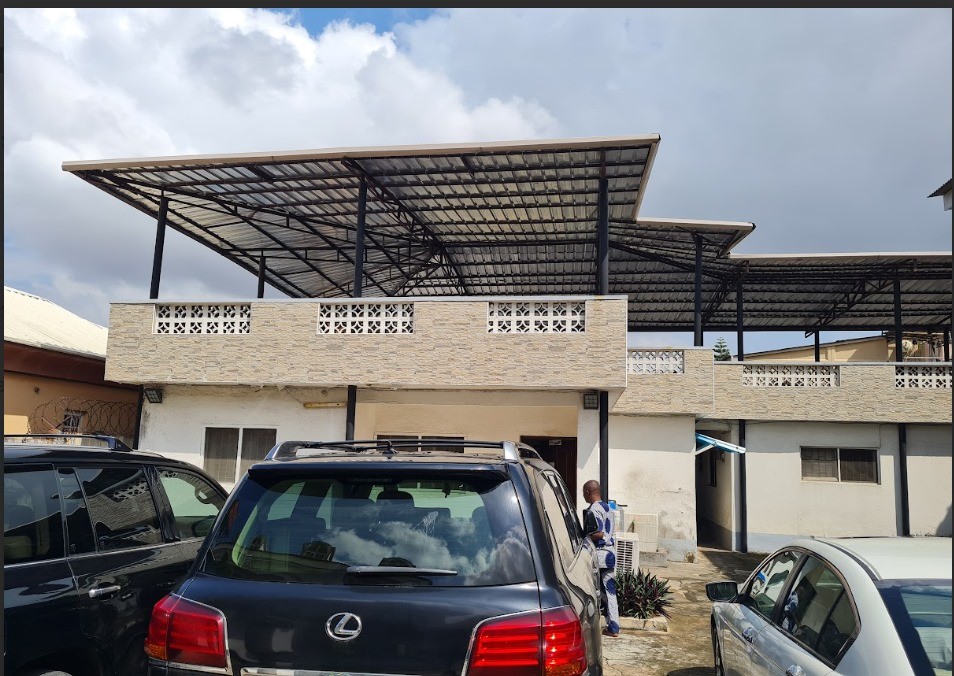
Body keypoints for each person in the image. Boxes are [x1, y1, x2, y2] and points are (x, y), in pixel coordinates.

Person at [582, 479, 620, 637]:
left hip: (600, 554)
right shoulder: (608, 508)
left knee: (595, 591)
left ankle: (603, 625)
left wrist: (584, 536)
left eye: (584, 493)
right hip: (610, 553)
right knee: (610, 591)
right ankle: (614, 626)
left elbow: (598, 533)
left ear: (588, 492)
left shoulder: (593, 510)